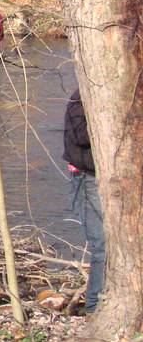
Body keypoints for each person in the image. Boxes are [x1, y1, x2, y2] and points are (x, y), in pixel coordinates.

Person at [62, 88, 105, 314]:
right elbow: (81, 136)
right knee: (102, 247)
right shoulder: (82, 98)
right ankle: (94, 307)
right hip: (87, 179)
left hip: (113, 178)